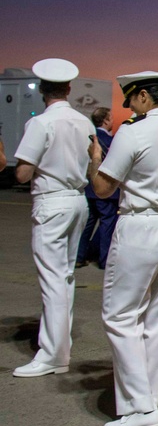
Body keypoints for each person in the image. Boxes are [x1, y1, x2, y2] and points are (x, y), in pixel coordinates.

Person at [87, 71, 158, 426]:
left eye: (131, 100)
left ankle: (140, 408)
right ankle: (145, 401)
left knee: (120, 317)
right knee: (156, 322)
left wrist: (94, 159)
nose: (130, 107)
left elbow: (103, 188)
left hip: (141, 227)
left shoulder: (133, 132)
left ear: (143, 98)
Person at [11, 58, 92, 378]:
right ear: (69, 89)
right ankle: (59, 346)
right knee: (65, 277)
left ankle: (53, 355)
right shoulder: (83, 122)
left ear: (42, 90)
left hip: (51, 203)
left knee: (52, 281)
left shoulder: (40, 124)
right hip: (77, 201)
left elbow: (22, 173)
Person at [76, 107, 119, 270]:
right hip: (106, 192)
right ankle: (105, 259)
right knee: (107, 224)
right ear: (106, 120)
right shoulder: (110, 141)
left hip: (89, 189)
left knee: (88, 224)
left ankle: (79, 256)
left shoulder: (91, 140)